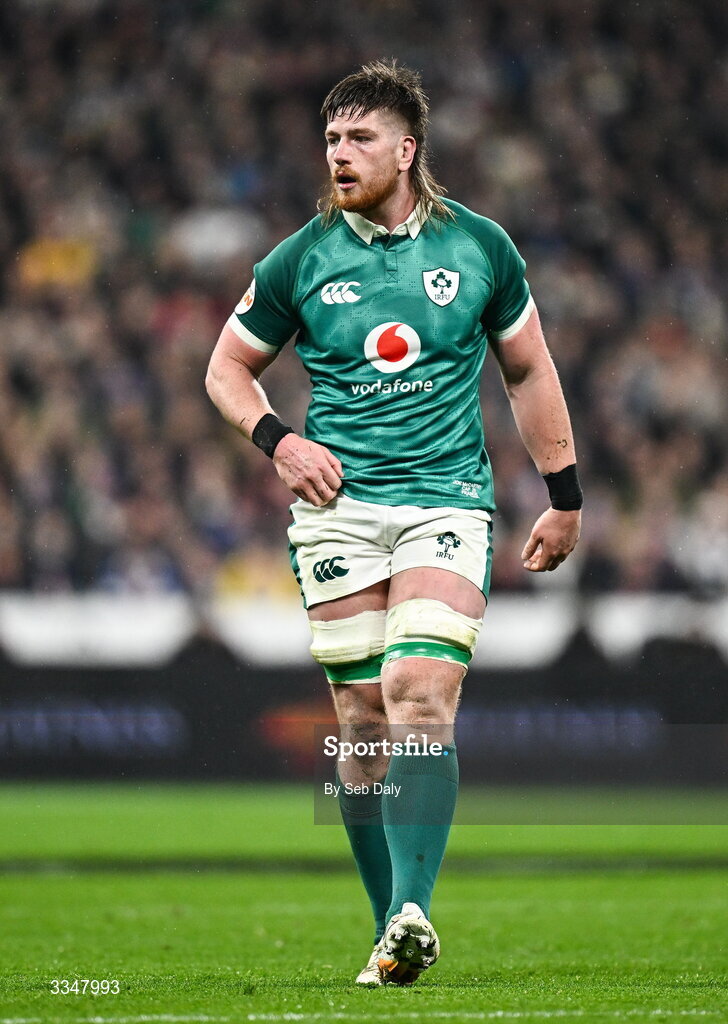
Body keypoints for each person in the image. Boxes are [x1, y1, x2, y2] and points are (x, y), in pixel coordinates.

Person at [206, 60, 582, 986]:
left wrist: (565, 495)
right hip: (337, 513)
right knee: (360, 722)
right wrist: (278, 442)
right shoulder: (298, 259)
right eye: (331, 139)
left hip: (447, 500)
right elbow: (225, 368)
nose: (339, 153)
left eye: (360, 137)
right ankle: (393, 930)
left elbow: (528, 372)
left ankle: (413, 909)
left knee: (418, 688)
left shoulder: (482, 248)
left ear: (406, 150)